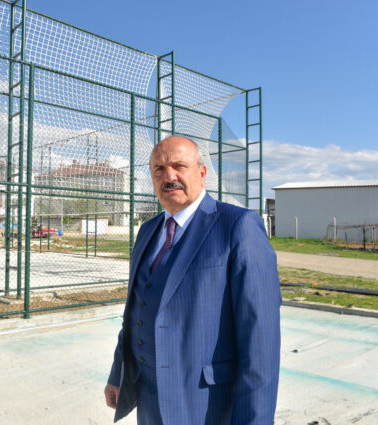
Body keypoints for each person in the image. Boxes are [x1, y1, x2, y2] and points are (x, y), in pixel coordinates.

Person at [104, 136, 281, 425]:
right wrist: (118, 375)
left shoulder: (238, 225)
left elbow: (260, 340)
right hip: (149, 402)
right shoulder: (147, 231)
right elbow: (135, 312)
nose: (169, 176)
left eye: (179, 166)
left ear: (201, 173)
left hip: (206, 406)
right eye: (159, 169)